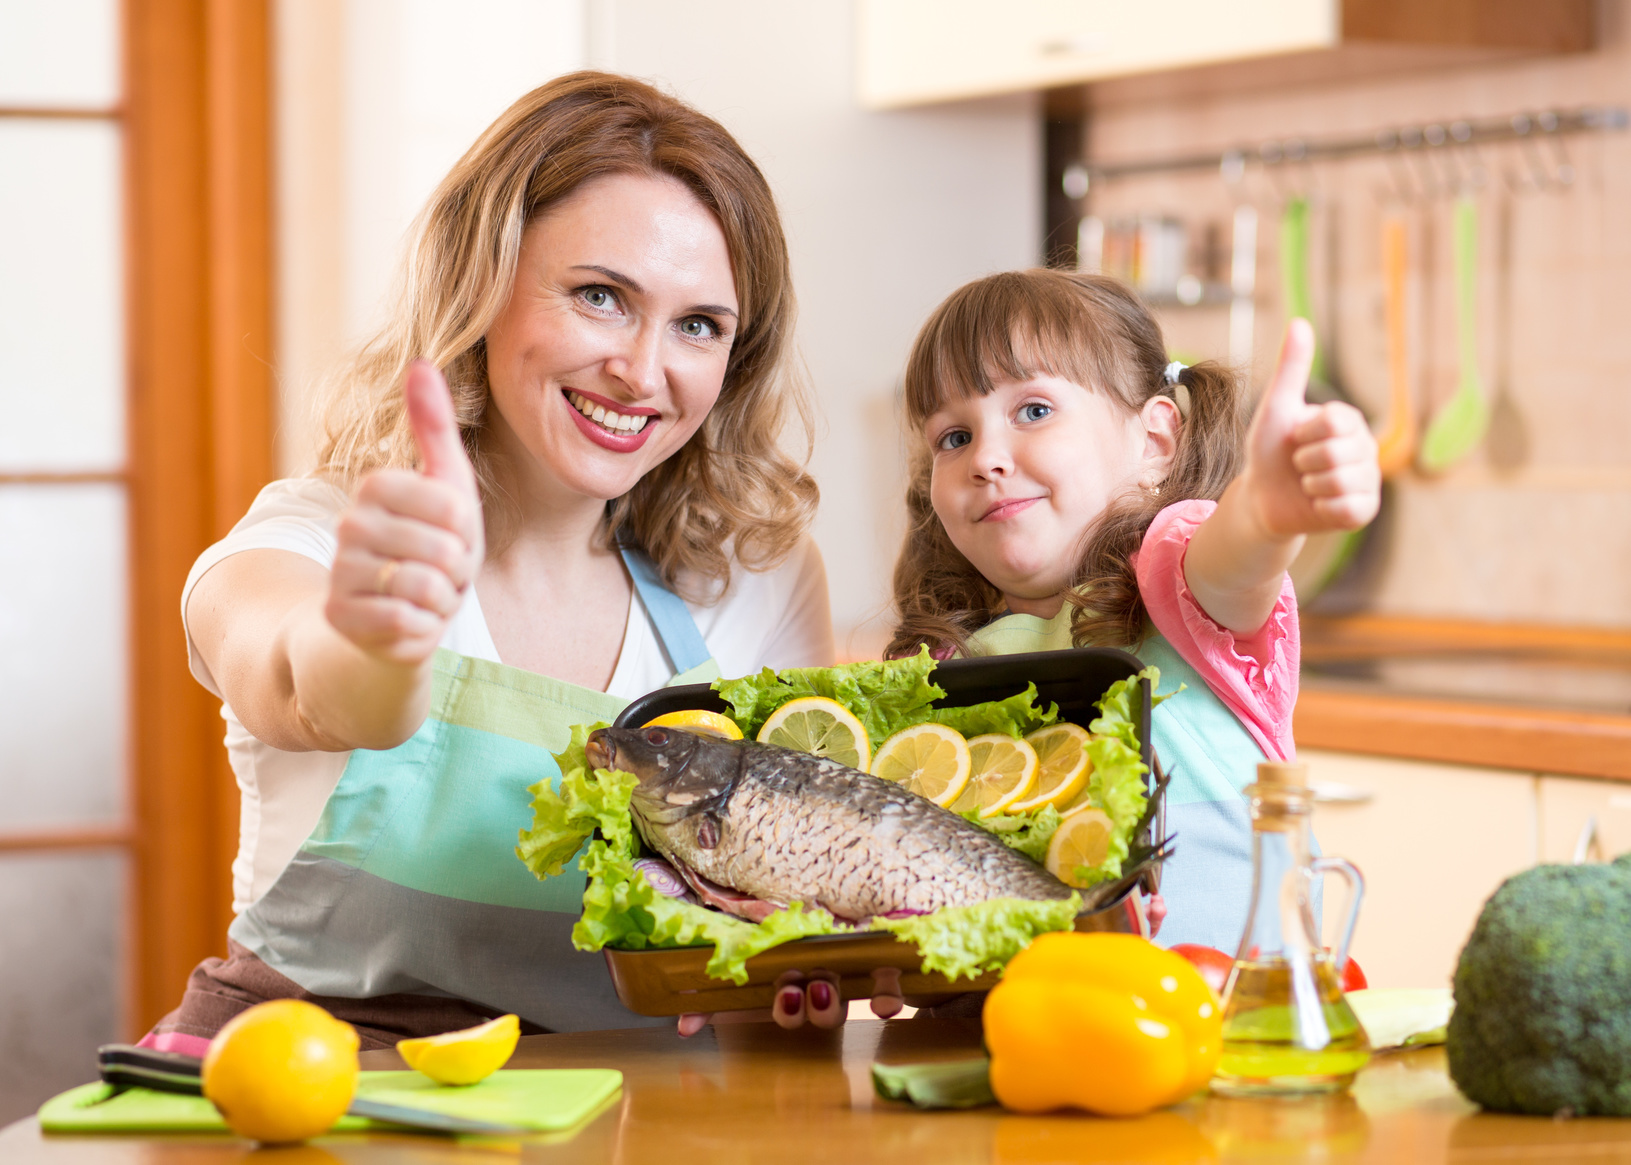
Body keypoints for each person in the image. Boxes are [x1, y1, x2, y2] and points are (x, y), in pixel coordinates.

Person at [144, 72, 846, 1053]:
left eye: (697, 324)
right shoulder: (314, 540)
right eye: (600, 296)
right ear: (485, 282)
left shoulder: (754, 579)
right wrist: (380, 639)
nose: (643, 372)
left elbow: (784, 894)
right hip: (314, 1092)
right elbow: (299, 683)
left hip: (636, 1116)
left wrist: (815, 947)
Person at [884, 269, 1380, 951]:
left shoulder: (1170, 583)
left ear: (1153, 442)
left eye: (1032, 410)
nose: (986, 458)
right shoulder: (954, 661)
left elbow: (1232, 560)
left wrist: (1265, 511)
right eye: (952, 437)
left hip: (1240, 1030)